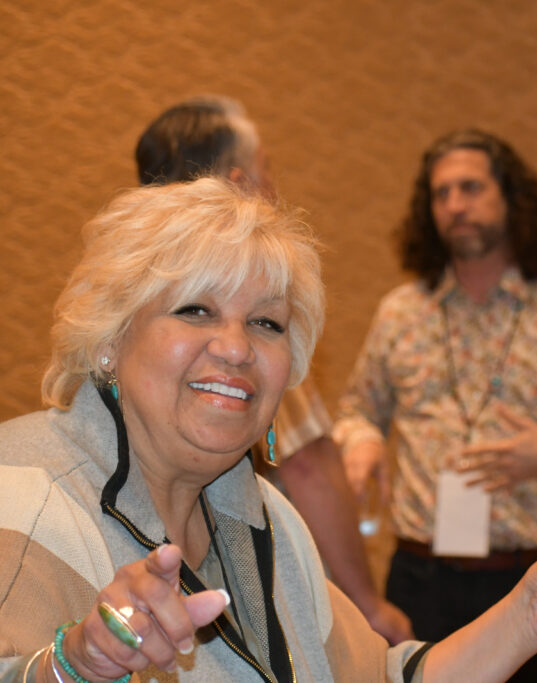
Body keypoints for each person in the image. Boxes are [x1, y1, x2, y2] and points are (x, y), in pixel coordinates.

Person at [0, 177, 537, 682]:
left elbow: (376, 678)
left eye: (265, 323)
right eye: (195, 309)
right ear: (108, 340)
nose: (235, 346)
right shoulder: (20, 493)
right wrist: (74, 666)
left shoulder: (268, 519)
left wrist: (528, 613)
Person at [334, 129, 537, 680]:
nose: (454, 204)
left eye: (470, 187)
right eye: (440, 193)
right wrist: (363, 440)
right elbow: (357, 411)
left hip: (529, 582)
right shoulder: (401, 312)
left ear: (510, 199)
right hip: (419, 577)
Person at [135, 95, 412, 644]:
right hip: (229, 593)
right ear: (243, 183)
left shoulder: (122, 291)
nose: (231, 346)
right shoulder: (253, 311)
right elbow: (308, 467)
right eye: (270, 171)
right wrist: (368, 606)